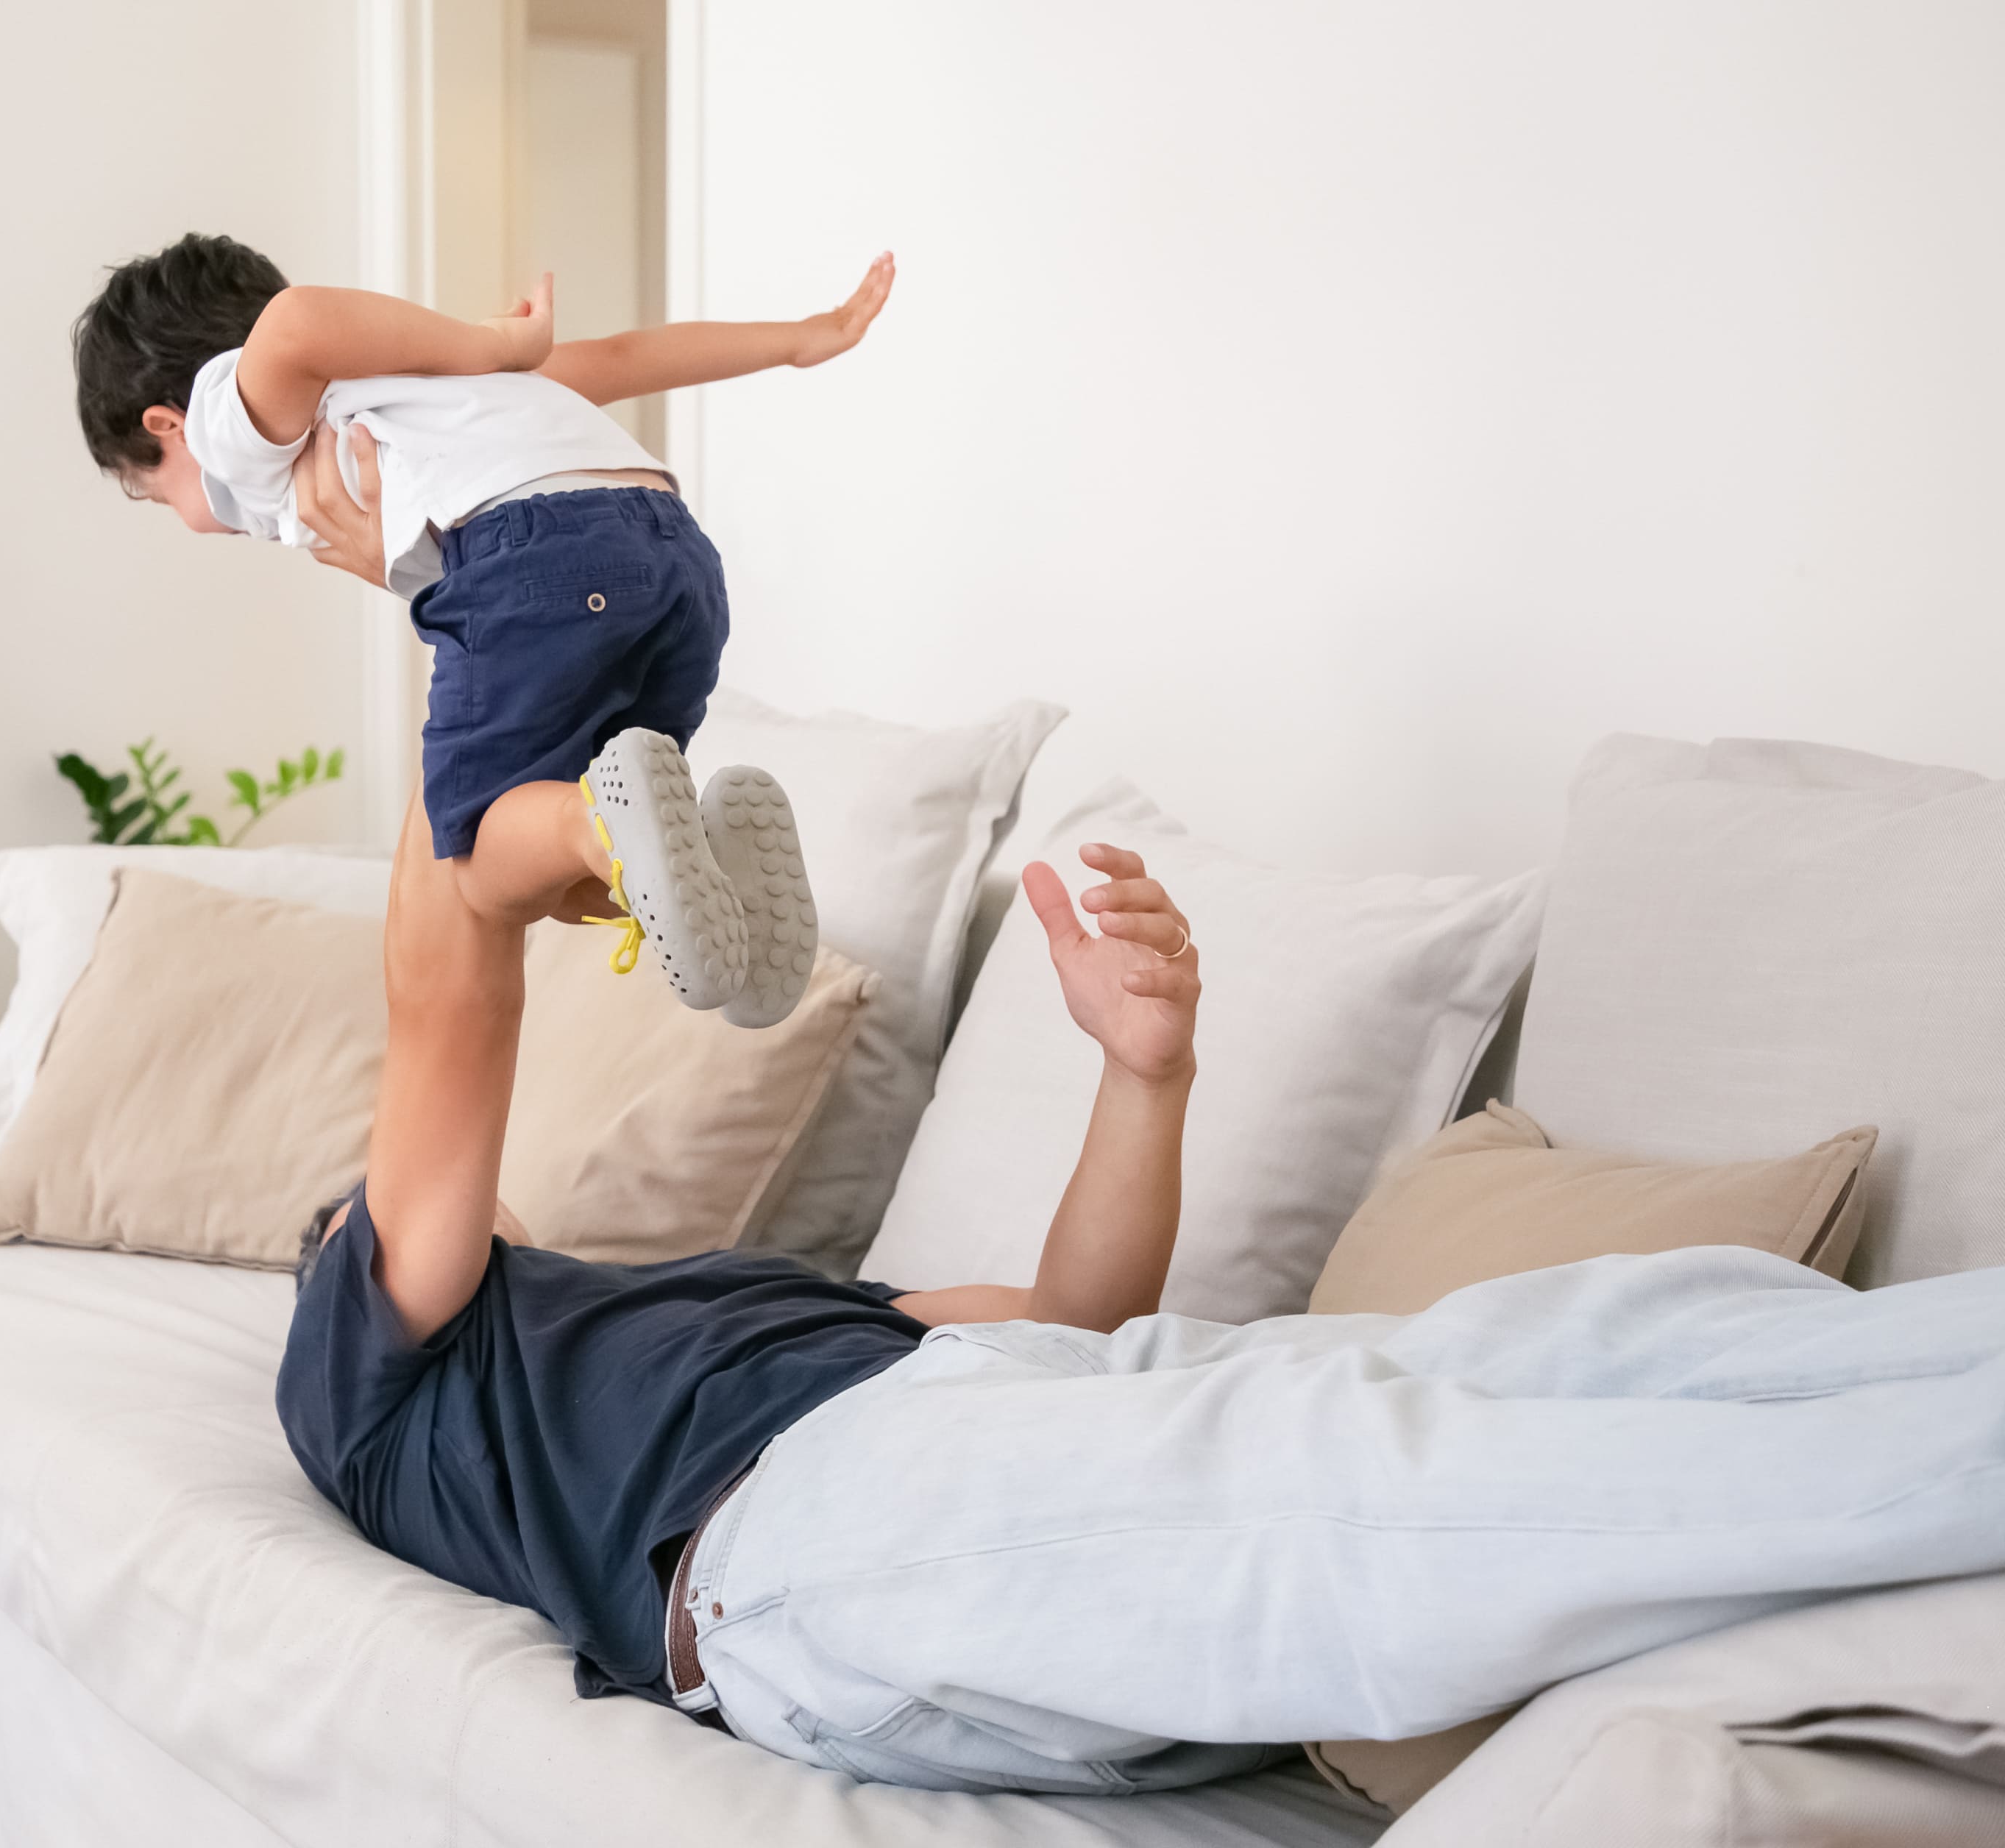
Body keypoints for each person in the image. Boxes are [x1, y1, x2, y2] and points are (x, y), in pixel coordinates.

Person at [259, 605, 2005, 1796]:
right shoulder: (378, 1385)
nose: (381, 1205)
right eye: (359, 1214)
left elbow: (1069, 1323)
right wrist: (471, 624)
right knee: (1434, 1489)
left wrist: (1143, 1067)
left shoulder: (700, 1303)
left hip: (1023, 1421)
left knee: (1584, 1331)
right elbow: (444, 998)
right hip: (813, 1547)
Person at [71, 233, 897, 1067]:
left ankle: (605, 825)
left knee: (474, 857)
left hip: (538, 555)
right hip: (674, 555)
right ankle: (715, 875)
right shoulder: (427, 392)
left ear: (166, 426)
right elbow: (623, 357)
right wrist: (803, 337)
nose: (182, 509)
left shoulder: (238, 415)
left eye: (155, 490)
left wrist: (492, 340)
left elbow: (294, 321)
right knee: (562, 874)